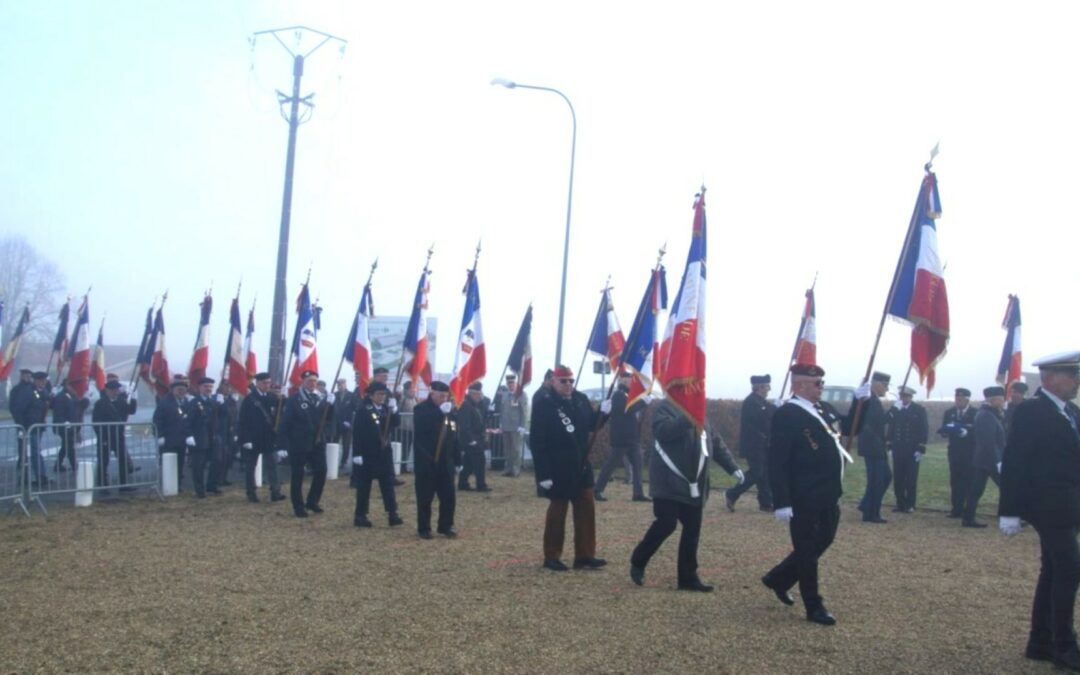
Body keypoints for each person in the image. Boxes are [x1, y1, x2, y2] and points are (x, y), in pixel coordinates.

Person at [999, 351, 1080, 670]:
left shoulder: (1071, 412)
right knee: (1070, 568)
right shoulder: (1032, 411)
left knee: (1054, 570)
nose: (1077, 381)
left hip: (1068, 505)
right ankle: (1064, 645)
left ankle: (1040, 641)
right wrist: (1009, 510)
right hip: (1046, 505)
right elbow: (1015, 460)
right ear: (1049, 378)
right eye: (1071, 375)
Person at [763, 363, 849, 626]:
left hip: (827, 491)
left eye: (821, 383)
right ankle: (814, 606)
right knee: (807, 551)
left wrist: (863, 402)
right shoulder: (788, 414)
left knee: (824, 539)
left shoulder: (822, 409)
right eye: (817, 384)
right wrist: (782, 500)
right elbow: (777, 460)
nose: (821, 387)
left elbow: (850, 426)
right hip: (803, 494)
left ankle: (779, 578)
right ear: (799, 385)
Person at [629, 398, 744, 591]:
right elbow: (664, 432)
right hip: (668, 481)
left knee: (692, 530)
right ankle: (639, 560)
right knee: (666, 524)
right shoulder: (664, 408)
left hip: (694, 482)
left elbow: (714, 441)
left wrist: (732, 468)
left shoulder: (700, 412)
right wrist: (688, 417)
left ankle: (688, 578)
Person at [530, 365, 608, 572]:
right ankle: (552, 555)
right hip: (557, 466)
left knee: (586, 510)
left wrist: (604, 412)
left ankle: (584, 555)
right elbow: (538, 441)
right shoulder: (544, 404)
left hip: (581, 464)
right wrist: (543, 474)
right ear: (553, 381)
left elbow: (592, 425)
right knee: (557, 512)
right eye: (563, 381)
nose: (568, 385)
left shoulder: (580, 400)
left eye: (571, 381)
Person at [277, 370, 330, 517]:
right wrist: (281, 444)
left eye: (314, 381)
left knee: (321, 471)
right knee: (298, 475)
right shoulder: (295, 400)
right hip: (299, 443)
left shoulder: (321, 398)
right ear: (303, 382)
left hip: (317, 442)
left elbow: (329, 418)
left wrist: (331, 405)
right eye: (309, 381)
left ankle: (312, 501)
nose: (312, 383)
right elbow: (285, 423)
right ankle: (298, 506)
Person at [350, 381, 403, 527]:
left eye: (384, 394)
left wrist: (395, 410)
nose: (382, 397)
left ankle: (393, 513)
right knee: (364, 486)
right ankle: (360, 515)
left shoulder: (386, 408)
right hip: (367, 452)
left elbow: (396, 423)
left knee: (388, 485)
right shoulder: (364, 410)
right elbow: (358, 432)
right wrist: (357, 453)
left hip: (384, 453)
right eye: (379, 394)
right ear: (371, 395)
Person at [412, 381, 461, 538]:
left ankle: (446, 525)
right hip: (427, 461)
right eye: (441, 395)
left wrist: (458, 459)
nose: (444, 399)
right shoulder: (421, 409)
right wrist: (439, 413)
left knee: (448, 497)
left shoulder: (450, 412)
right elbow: (422, 425)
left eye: (446, 396)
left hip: (446, 463)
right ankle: (424, 528)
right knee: (425, 497)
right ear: (432, 393)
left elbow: (454, 437)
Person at [595, 372, 648, 502]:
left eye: (631, 378)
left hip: (632, 438)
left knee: (638, 465)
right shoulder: (618, 395)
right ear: (622, 380)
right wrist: (643, 402)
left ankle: (638, 493)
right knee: (611, 465)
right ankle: (597, 489)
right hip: (621, 438)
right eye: (629, 378)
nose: (631, 381)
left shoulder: (627, 395)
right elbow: (627, 410)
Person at [726, 374, 776, 512]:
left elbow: (769, 415)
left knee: (764, 473)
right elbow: (762, 416)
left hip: (762, 444)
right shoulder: (751, 402)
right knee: (757, 472)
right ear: (760, 387)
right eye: (767, 386)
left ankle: (766, 503)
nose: (769, 389)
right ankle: (732, 493)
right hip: (753, 445)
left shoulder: (762, 402)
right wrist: (773, 408)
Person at [961, 386, 1007, 528]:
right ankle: (1007, 516)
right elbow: (988, 441)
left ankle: (968, 517)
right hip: (989, 460)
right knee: (1007, 487)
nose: (1003, 402)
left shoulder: (988, 413)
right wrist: (998, 461)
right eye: (1001, 399)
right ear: (993, 400)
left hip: (983, 459)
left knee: (976, 490)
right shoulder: (987, 415)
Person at [849, 371, 891, 524]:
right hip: (873, 447)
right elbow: (867, 425)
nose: (886, 390)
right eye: (885, 386)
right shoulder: (870, 401)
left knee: (885, 477)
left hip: (877, 446)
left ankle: (867, 505)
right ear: (877, 384)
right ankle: (871, 513)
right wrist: (877, 443)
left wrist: (893, 413)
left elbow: (878, 422)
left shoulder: (874, 400)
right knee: (877, 480)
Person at [238, 373, 285, 503]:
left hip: (268, 437)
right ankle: (251, 492)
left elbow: (280, 413)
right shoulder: (250, 399)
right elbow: (243, 421)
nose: (267, 385)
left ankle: (275, 491)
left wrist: (284, 398)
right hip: (253, 438)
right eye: (264, 383)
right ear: (257, 383)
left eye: (269, 382)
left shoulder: (272, 397)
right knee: (251, 466)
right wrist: (246, 439)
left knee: (272, 465)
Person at [887, 385, 929, 513]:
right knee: (898, 478)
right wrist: (889, 445)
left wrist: (921, 448)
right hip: (899, 448)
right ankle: (900, 503)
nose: (904, 398)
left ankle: (910, 503)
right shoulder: (896, 409)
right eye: (902, 396)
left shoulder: (919, 410)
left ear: (910, 397)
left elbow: (923, 429)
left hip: (912, 449)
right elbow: (891, 428)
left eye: (906, 396)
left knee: (911, 478)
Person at [939, 387, 977, 518]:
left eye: (961, 399)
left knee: (969, 481)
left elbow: (978, 431)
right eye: (956, 399)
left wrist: (968, 433)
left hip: (970, 452)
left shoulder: (975, 413)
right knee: (955, 481)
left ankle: (969, 509)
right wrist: (944, 432)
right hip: (954, 452)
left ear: (967, 400)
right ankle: (956, 508)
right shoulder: (949, 413)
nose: (958, 401)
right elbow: (945, 428)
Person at [91, 380, 135, 493]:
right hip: (105, 436)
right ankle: (103, 486)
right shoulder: (100, 403)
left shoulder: (121, 401)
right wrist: (102, 437)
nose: (115, 391)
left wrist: (133, 398)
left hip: (118, 436)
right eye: (112, 390)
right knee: (103, 462)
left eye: (116, 389)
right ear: (107, 390)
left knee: (123, 460)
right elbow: (96, 422)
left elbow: (131, 410)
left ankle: (124, 484)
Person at [12, 372, 52, 487]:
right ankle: (36, 476)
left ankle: (41, 476)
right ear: (36, 380)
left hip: (37, 426)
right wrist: (20, 426)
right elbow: (18, 409)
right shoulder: (27, 392)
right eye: (42, 380)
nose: (44, 382)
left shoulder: (41, 391)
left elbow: (46, 402)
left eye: (44, 380)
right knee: (31, 453)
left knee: (36, 452)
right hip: (28, 426)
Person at [153, 379, 195, 489]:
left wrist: (189, 434)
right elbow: (157, 420)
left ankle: (177, 484)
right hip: (169, 438)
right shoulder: (165, 403)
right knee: (169, 463)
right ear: (173, 390)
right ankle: (168, 485)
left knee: (180, 462)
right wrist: (160, 435)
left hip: (182, 438)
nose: (181, 392)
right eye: (179, 389)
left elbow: (189, 421)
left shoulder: (186, 402)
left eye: (184, 389)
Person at [186, 377, 221, 498]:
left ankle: (211, 485)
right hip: (199, 438)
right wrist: (189, 435)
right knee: (198, 466)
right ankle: (199, 490)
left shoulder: (214, 402)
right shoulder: (194, 402)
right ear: (200, 387)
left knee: (217, 461)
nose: (208, 389)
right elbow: (188, 421)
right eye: (206, 386)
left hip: (213, 437)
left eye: (211, 387)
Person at [457, 382, 491, 492]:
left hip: (478, 437)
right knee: (480, 461)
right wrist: (471, 441)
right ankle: (481, 485)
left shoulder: (477, 405)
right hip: (470, 438)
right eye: (477, 394)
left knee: (468, 463)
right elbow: (464, 426)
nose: (479, 396)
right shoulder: (465, 405)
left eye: (480, 394)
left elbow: (482, 419)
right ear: (471, 394)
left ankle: (462, 483)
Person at [497, 374, 528, 477]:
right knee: (507, 449)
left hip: (516, 426)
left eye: (512, 382)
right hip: (505, 426)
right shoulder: (505, 395)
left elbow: (524, 411)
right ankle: (508, 469)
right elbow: (502, 410)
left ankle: (515, 469)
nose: (511, 385)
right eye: (509, 383)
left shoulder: (521, 394)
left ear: (516, 383)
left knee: (515, 449)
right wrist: (501, 423)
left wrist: (522, 425)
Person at [51, 380, 80, 473]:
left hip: (71, 425)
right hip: (64, 426)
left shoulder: (73, 396)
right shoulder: (61, 397)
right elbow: (58, 412)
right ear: (66, 386)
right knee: (69, 446)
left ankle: (58, 465)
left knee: (66, 446)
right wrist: (64, 423)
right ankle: (75, 466)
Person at [214, 382, 239, 487]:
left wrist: (236, 432)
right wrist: (219, 403)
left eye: (229, 386)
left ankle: (223, 478)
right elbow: (219, 413)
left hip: (230, 432)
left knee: (228, 458)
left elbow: (234, 415)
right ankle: (217, 479)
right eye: (226, 386)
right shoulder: (216, 399)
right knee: (219, 458)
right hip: (219, 432)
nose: (228, 388)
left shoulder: (230, 400)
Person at [333, 378, 358, 469]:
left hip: (347, 423)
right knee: (334, 442)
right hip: (337, 423)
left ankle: (344, 461)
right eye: (338, 385)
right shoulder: (334, 395)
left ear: (345, 385)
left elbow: (355, 409)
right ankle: (333, 460)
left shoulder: (351, 395)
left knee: (346, 444)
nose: (340, 386)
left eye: (342, 384)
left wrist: (350, 422)